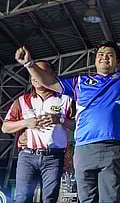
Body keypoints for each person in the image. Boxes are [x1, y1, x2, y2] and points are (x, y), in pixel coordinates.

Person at [14, 6, 120, 202]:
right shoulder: (79, 82)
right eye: (100, 54)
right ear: (95, 60)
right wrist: (29, 64)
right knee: (86, 200)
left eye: (109, 55)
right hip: (83, 149)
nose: (104, 57)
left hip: (112, 149)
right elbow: (48, 81)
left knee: (108, 199)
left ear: (117, 62)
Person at [1, 60, 74, 203]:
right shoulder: (22, 101)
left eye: (41, 72)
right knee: (22, 198)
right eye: (33, 72)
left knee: (50, 198)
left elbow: (78, 126)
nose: (36, 76)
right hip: (27, 157)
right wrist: (26, 122)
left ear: (52, 75)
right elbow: (5, 127)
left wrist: (60, 120)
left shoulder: (65, 100)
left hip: (54, 157)